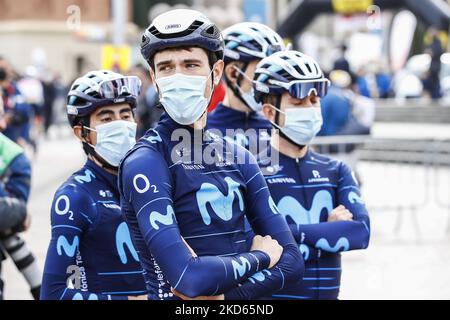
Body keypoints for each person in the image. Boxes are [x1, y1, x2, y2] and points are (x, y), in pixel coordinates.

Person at [118, 9, 304, 300]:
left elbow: (293, 262)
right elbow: (188, 278)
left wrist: (225, 299)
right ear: (154, 79)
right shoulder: (146, 161)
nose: (178, 76)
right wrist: (261, 258)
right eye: (166, 67)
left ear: (215, 73)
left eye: (191, 64)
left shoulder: (240, 156)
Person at [253, 50, 371, 299]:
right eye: (298, 103)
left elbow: (360, 233)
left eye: (314, 101)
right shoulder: (252, 171)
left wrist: (289, 232)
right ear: (269, 112)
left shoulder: (336, 170)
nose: (309, 109)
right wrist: (327, 231)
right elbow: (250, 244)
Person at [40, 70, 147, 300]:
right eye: (107, 119)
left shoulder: (152, 183)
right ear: (82, 133)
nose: (120, 125)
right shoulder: (75, 196)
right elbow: (52, 293)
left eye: (125, 115)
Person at [207, 22, 285, 153]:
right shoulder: (201, 130)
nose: (271, 81)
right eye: (262, 71)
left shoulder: (277, 130)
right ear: (233, 73)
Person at [0, 96, 41, 300]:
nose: (2, 123)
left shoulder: (13, 159)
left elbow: (8, 223)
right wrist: (20, 212)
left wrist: (16, 211)